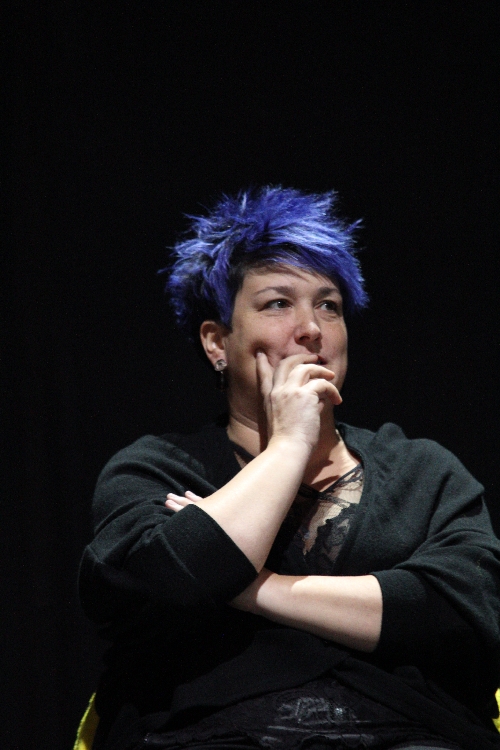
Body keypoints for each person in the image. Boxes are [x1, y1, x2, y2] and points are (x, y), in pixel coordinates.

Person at [79, 187, 500, 750]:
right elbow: (167, 584)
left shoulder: (422, 470)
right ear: (217, 342)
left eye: (329, 306)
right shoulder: (155, 468)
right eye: (278, 303)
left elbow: (463, 613)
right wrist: (289, 445)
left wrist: (252, 589)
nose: (312, 329)